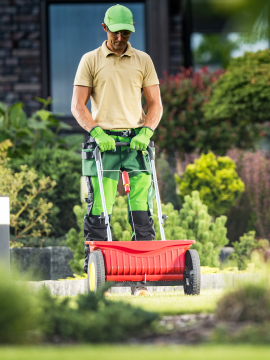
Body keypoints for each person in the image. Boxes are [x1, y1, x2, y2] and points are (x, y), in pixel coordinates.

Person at [71, 4, 163, 296]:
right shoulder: (90, 60)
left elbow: (156, 104)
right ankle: (100, 280)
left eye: (126, 32)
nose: (121, 37)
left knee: (142, 210)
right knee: (100, 210)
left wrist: (147, 130)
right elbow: (77, 105)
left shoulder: (143, 60)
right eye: (116, 32)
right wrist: (96, 131)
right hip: (104, 146)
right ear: (104, 28)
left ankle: (142, 281)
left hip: (136, 144)